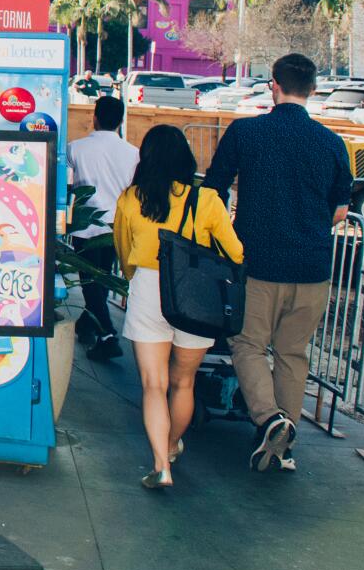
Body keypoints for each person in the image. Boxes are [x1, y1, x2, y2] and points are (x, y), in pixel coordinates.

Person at [202, 52, 355, 474]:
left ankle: (270, 418)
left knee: (248, 344)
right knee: (292, 353)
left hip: (258, 264)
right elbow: (341, 210)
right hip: (313, 268)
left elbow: (213, 191)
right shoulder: (332, 143)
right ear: (313, 90)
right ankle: (283, 446)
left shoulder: (246, 132)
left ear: (274, 85)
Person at [112, 124, 245, 490]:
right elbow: (235, 253)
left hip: (148, 289)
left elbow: (123, 249)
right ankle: (172, 445)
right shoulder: (207, 200)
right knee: (183, 383)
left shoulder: (132, 198)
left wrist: (133, 276)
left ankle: (160, 466)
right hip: (196, 295)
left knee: (153, 384)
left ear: (146, 158)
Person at [66, 96, 140, 361]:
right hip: (116, 225)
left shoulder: (76, 148)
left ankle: (108, 335)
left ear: (95, 117)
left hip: (85, 222)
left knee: (89, 281)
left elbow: (67, 182)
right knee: (103, 277)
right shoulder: (133, 153)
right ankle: (88, 323)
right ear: (120, 120)